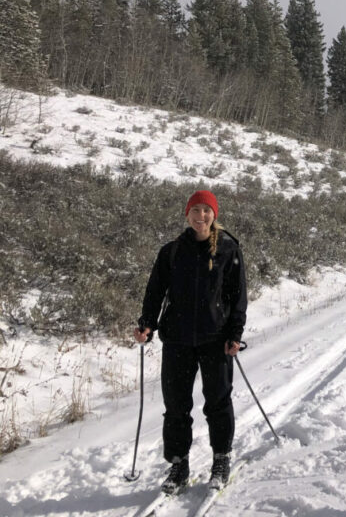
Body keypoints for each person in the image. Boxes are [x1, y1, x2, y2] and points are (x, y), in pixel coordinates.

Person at [134, 189, 247, 494]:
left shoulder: (228, 249)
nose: (201, 217)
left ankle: (221, 458)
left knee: (218, 402)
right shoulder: (171, 251)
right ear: (187, 214)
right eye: (195, 211)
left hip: (216, 339)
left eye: (206, 211)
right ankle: (178, 464)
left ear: (215, 214)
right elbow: (155, 292)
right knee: (176, 407)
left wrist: (235, 334)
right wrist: (147, 323)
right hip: (178, 341)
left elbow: (238, 297)